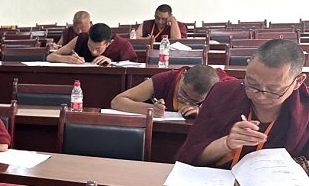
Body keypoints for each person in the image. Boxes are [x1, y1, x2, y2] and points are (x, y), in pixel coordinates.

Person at [177, 39, 309, 167]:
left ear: (298, 81)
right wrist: (227, 143)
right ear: (248, 65)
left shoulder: (305, 109)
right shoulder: (222, 93)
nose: (260, 96)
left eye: (273, 90)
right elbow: (188, 158)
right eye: (252, 83)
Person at [111, 65, 237, 118]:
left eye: (195, 101)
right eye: (184, 94)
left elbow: (239, 114)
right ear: (183, 75)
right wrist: (151, 109)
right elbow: (117, 101)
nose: (187, 102)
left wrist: (203, 111)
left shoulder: (224, 86)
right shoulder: (166, 78)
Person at [47, 23, 137, 65]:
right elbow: (50, 57)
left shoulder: (123, 45)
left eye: (98, 49)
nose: (93, 52)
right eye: (90, 46)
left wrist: (112, 62)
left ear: (109, 43)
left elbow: (133, 66)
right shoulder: (82, 39)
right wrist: (67, 59)